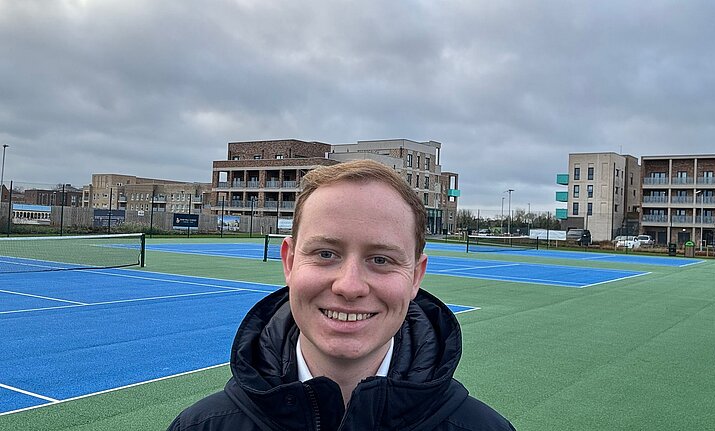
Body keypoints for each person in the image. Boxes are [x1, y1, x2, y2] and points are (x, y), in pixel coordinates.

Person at [168, 159, 515, 430]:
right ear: (289, 262)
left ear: (415, 277)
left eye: (381, 259)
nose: (349, 286)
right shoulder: (201, 426)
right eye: (325, 254)